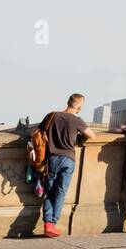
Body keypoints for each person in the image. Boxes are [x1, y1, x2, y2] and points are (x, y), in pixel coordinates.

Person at [37, 94, 95, 237]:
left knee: (49, 192)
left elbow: (37, 132)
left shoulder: (52, 116)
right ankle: (53, 223)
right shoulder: (77, 120)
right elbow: (92, 136)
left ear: (68, 102)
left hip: (52, 159)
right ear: (79, 107)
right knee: (60, 192)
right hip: (68, 159)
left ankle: (48, 224)